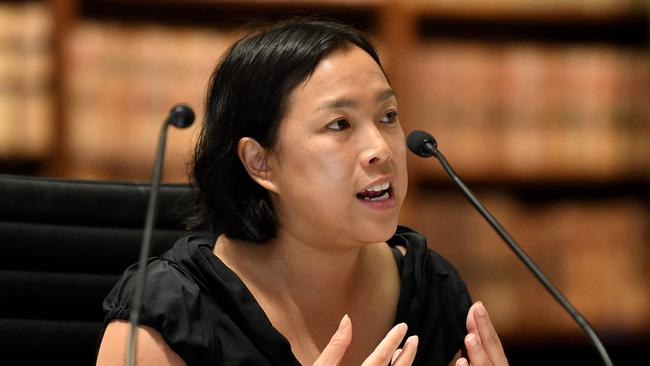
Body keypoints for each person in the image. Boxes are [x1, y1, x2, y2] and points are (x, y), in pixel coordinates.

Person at [96, 18, 508, 366]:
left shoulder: (431, 289)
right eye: (340, 125)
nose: (381, 150)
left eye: (388, 116)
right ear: (260, 161)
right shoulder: (164, 316)